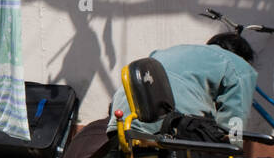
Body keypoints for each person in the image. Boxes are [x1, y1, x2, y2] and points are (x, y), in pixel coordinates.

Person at [108, 33, 258, 134]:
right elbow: (234, 122)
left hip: (118, 127)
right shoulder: (239, 66)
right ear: (242, 57)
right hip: (165, 132)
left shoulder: (168, 51)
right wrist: (233, 153)